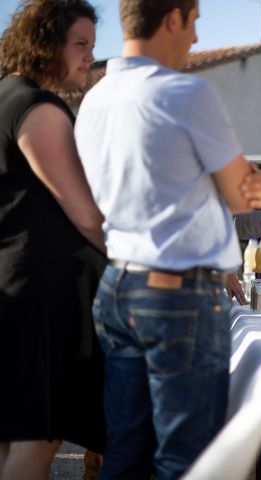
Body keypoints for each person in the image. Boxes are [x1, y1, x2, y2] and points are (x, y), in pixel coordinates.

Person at [74, 1, 261, 478]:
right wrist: (252, 179)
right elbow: (245, 199)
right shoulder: (185, 93)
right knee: (188, 461)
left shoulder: (93, 100)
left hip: (118, 286)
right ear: (174, 18)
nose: (196, 38)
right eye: (195, 22)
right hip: (178, 294)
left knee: (125, 454)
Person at [0, 1, 107, 479]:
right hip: (37, 297)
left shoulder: (5, 96)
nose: (88, 57)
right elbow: (85, 213)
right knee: (36, 440)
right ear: (45, 43)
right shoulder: (37, 107)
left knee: (12, 438)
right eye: (79, 44)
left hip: (15, 285)